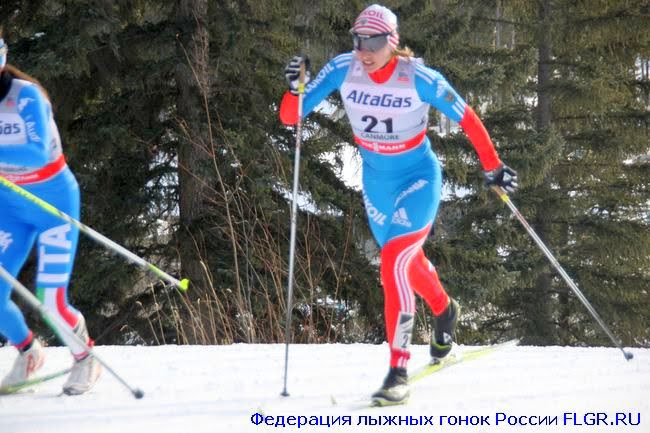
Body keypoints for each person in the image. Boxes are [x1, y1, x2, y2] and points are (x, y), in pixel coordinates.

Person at [279, 4, 518, 405]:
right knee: (406, 261)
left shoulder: (418, 77)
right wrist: (294, 89)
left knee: (392, 261)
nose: (364, 51)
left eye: (373, 42)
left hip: (418, 179)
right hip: (377, 186)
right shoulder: (342, 68)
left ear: (392, 42)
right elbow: (292, 116)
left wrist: (493, 167)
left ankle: (398, 371)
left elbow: (467, 117)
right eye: (358, 41)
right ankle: (444, 309)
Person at [0, 32, 101, 395]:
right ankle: (29, 352)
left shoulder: (25, 96)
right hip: (10, 208)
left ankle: (85, 357)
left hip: (53, 204)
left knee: (51, 301)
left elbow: (37, 152)